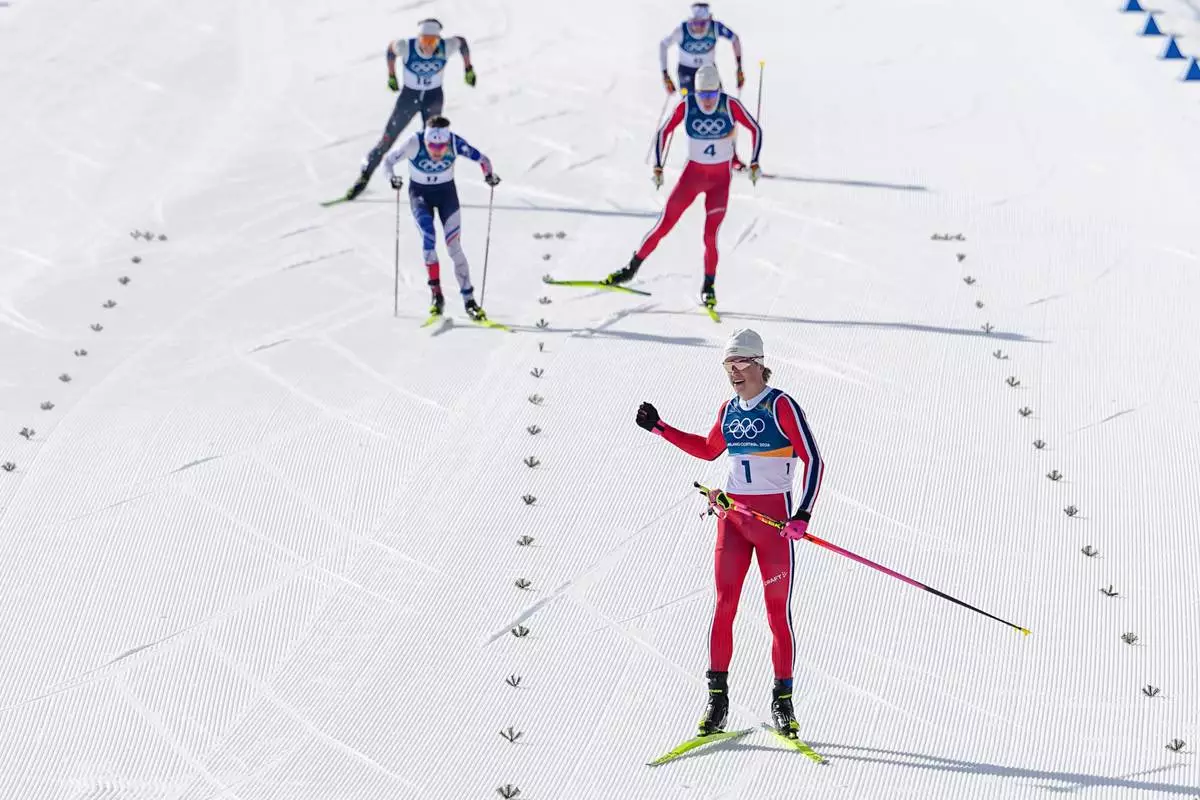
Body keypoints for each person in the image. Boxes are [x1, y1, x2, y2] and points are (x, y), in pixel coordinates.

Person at [635, 328, 824, 740]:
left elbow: (814, 460)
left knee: (777, 614)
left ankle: (783, 702)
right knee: (724, 606)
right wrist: (660, 428)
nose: (734, 372)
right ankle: (717, 701)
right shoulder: (729, 410)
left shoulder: (781, 406)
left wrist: (803, 513)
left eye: (740, 364)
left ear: (759, 364)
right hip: (733, 520)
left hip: (774, 527)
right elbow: (708, 448)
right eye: (728, 365)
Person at [604, 65, 761, 313]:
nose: (707, 101)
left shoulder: (729, 105)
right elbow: (664, 131)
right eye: (702, 96)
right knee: (664, 225)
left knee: (710, 236)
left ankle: (709, 286)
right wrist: (658, 166)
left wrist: (754, 161)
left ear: (719, 90)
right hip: (692, 178)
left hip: (719, 183)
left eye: (711, 95)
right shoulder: (687, 105)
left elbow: (755, 129)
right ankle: (630, 269)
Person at [382, 116, 501, 321]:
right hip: (420, 196)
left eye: (441, 147)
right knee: (429, 237)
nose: (437, 151)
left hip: (447, 195)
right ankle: (436, 295)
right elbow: (388, 161)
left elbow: (483, 159)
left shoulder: (455, 143)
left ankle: (470, 301)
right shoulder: (414, 142)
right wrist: (392, 178)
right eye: (432, 146)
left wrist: (489, 175)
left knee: (454, 247)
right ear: (425, 141)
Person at [344, 19, 476, 201]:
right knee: (387, 139)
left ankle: (429, 188)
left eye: (433, 42)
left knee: (432, 144)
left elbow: (461, 41)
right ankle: (364, 177)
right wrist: (391, 75)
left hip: (433, 98)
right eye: (424, 41)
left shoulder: (446, 47)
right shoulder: (406, 46)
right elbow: (391, 49)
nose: (428, 47)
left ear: (439, 40)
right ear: (418, 39)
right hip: (409, 98)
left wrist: (468, 68)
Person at [659, 3, 743, 96]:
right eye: (694, 23)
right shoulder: (682, 30)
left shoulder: (715, 27)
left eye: (702, 23)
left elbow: (735, 39)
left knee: (718, 99)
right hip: (686, 71)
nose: (698, 27)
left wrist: (739, 68)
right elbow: (663, 45)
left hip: (709, 69)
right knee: (690, 101)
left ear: (709, 20)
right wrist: (665, 75)